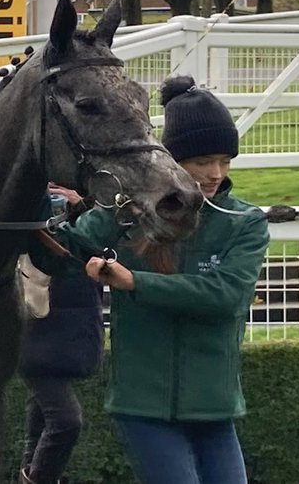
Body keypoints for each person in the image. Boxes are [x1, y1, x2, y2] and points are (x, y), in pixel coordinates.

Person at [50, 76, 268, 484]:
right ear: (172, 160)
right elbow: (62, 247)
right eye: (203, 161)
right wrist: (55, 207)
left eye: (224, 160)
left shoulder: (247, 223)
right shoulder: (127, 214)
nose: (215, 173)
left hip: (214, 409)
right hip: (142, 407)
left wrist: (135, 283)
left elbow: (226, 296)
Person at [17, 185, 104, 484]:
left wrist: (84, 207)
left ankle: (32, 474)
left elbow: (95, 245)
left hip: (66, 331)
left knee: (41, 419)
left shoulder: (85, 194)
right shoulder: (27, 190)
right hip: (33, 328)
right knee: (66, 421)